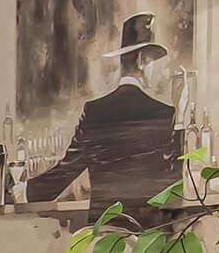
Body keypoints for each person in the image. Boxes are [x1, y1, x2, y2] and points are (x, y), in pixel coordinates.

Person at [24, 12, 178, 226]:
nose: (158, 70)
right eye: (153, 62)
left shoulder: (95, 111)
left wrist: (26, 191)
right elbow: (174, 182)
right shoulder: (163, 113)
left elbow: (68, 169)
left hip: (106, 235)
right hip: (149, 237)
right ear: (142, 62)